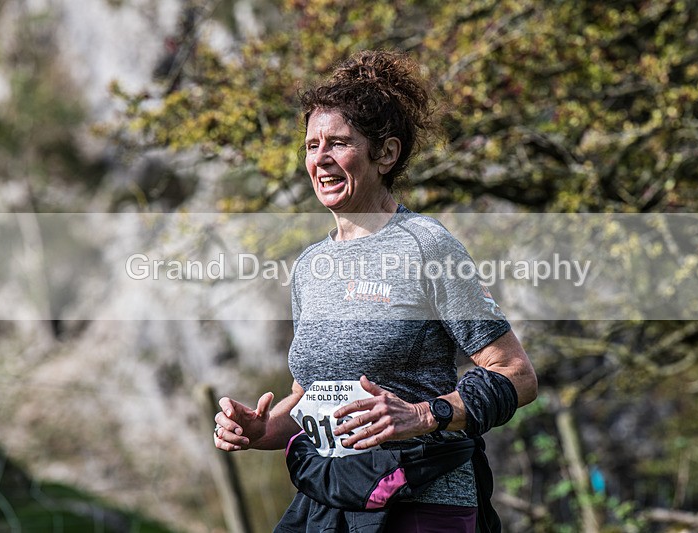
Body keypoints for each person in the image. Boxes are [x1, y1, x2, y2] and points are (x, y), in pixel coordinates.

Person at [214, 49, 538, 532]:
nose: (320, 159)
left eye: (338, 144)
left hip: (424, 503)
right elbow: (312, 396)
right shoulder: (310, 267)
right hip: (331, 499)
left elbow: (516, 375)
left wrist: (425, 415)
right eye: (310, 145)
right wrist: (264, 429)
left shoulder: (426, 246)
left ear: (385, 154)